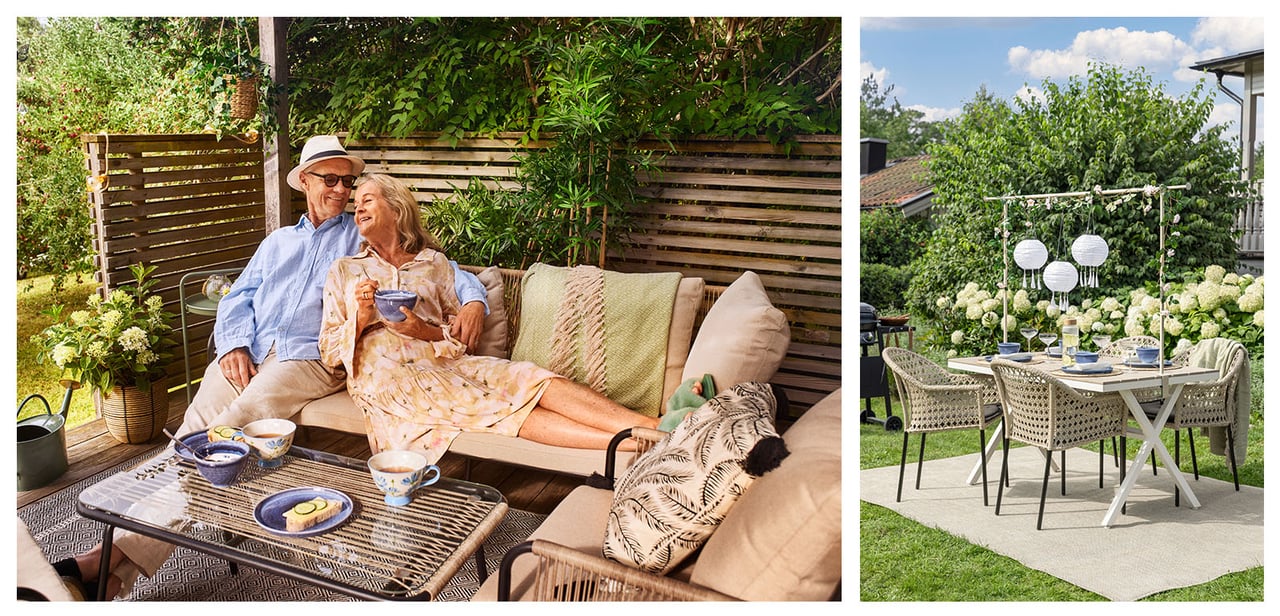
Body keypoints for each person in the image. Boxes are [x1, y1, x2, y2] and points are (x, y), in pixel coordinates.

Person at [57, 136, 491, 600]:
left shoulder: (360, 233)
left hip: (307, 357)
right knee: (192, 433)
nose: (342, 190)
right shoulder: (277, 242)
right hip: (252, 353)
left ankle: (103, 559)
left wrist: (475, 301)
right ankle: (117, 574)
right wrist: (234, 345)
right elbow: (237, 299)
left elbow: (429, 262)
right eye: (331, 179)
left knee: (227, 433)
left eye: (347, 181)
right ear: (304, 181)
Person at [319, 173, 661, 463]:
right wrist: (361, 318)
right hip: (388, 379)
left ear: (395, 208)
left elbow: (460, 338)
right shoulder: (346, 270)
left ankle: (653, 424)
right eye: (357, 203)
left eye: (367, 200)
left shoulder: (433, 264)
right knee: (506, 410)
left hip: (446, 366)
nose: (357, 207)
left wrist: (423, 330)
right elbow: (329, 352)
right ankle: (643, 442)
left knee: (529, 377)